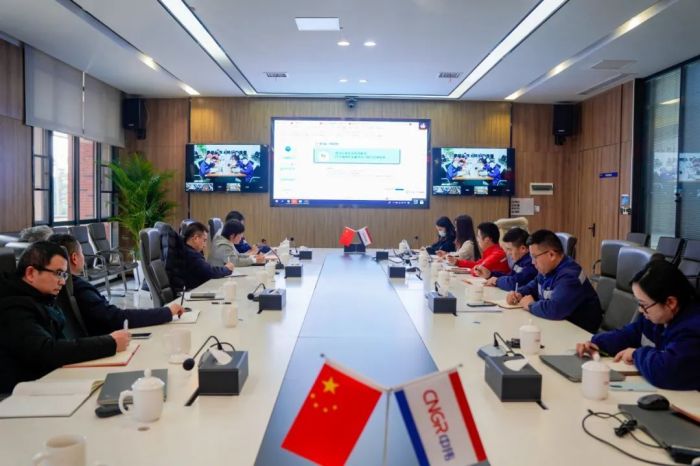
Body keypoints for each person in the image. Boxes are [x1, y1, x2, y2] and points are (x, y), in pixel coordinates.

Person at [0, 242, 130, 393]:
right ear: (30, 273)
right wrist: (110, 343)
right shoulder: (13, 307)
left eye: (64, 275)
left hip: (49, 380)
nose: (62, 282)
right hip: (23, 394)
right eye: (58, 273)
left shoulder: (42, 298)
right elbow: (47, 351)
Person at [576, 260, 700, 390]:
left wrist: (635, 354)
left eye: (644, 305)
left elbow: (666, 371)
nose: (641, 310)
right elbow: (629, 334)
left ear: (670, 303)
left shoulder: (693, 327)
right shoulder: (656, 318)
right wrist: (598, 344)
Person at [48, 234, 185, 335]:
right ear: (74, 258)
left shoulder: (52, 289)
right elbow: (116, 318)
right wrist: (165, 312)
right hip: (105, 344)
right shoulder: (80, 288)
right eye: (82, 253)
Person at [506, 229, 602, 333]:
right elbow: (533, 286)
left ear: (551, 255)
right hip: (558, 326)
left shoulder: (570, 275)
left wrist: (530, 305)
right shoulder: (547, 269)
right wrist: (519, 293)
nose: (533, 262)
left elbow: (555, 309)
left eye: (534, 257)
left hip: (579, 333)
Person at [170, 222, 233, 290]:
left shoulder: (184, 250)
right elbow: (210, 273)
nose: (205, 245)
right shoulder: (191, 255)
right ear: (195, 238)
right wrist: (227, 269)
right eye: (204, 240)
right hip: (190, 292)